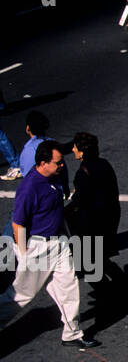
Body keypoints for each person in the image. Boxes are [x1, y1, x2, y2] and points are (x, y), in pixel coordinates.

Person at [7, 141, 100, 349]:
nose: (62, 166)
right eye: (58, 163)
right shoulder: (29, 187)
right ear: (43, 163)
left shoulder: (53, 178)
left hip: (59, 242)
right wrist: (24, 255)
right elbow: (18, 223)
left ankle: (72, 333)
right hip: (38, 247)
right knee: (21, 295)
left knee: (69, 286)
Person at [65, 132, 124, 287]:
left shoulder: (83, 173)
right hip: (109, 218)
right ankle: (120, 283)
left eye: (75, 147)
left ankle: (105, 293)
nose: (73, 149)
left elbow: (79, 200)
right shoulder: (104, 164)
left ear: (82, 151)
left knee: (89, 265)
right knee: (101, 258)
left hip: (91, 223)